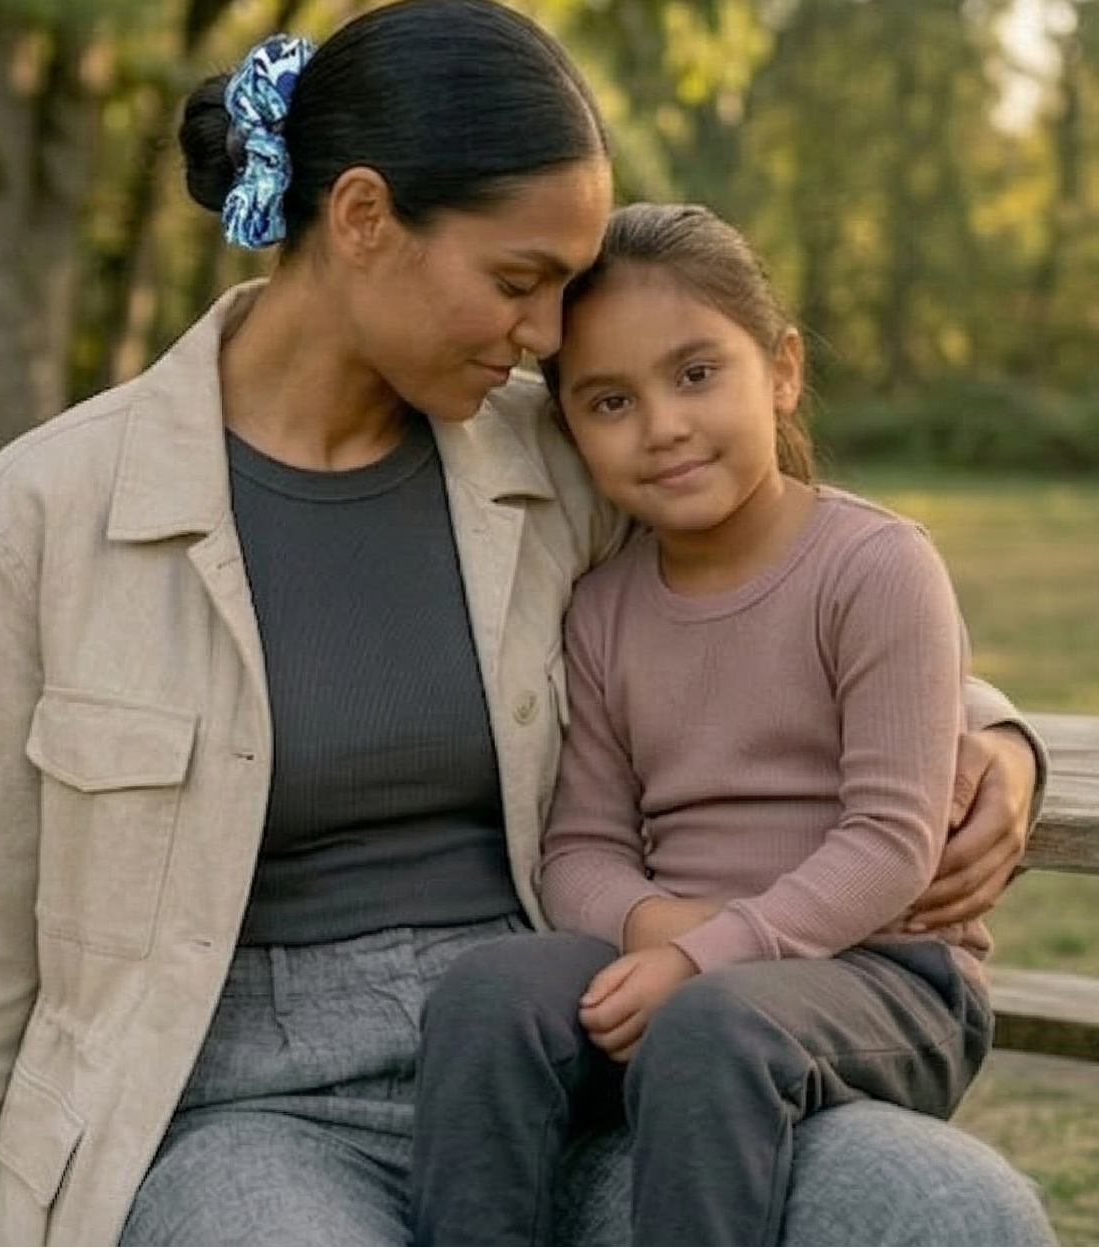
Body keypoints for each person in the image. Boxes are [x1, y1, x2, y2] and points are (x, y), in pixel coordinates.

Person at [0, 4, 1052, 1246]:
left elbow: (788, 591)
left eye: (563, 293)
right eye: (517, 282)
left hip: (576, 1057)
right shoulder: (56, 509)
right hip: (257, 1112)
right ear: (362, 219)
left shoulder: (561, 446)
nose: (544, 335)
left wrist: (1000, 742)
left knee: (945, 1213)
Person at [409, 201, 1013, 1248]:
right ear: (569, 430)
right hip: (687, 961)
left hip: (884, 976)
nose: (663, 426)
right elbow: (581, 848)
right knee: (489, 993)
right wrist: (655, 932)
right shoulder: (603, 608)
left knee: (710, 1029)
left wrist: (706, 958)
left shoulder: (873, 569)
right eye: (608, 401)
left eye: (695, 374)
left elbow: (887, 845)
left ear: (778, 371)